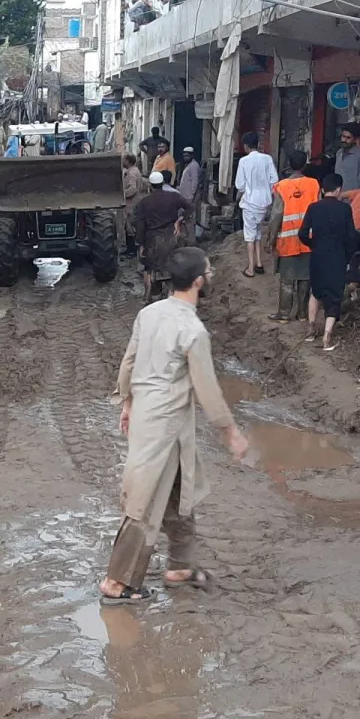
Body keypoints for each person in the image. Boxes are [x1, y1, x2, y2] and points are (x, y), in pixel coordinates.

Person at [99, 247, 250, 604]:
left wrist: (128, 403)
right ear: (198, 281)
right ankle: (117, 583)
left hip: (159, 423)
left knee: (181, 494)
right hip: (163, 427)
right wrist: (231, 433)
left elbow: (129, 361)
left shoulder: (149, 313)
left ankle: (180, 566)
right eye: (209, 271)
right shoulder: (193, 331)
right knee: (144, 503)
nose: (211, 276)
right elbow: (207, 388)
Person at [299, 174, 358, 352]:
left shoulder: (313, 207)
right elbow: (351, 237)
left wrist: (313, 245)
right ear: (339, 190)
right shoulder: (345, 210)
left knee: (315, 292)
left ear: (322, 190)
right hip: (337, 258)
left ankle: (310, 328)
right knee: (334, 297)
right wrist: (348, 258)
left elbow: (302, 234)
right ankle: (326, 337)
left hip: (318, 256)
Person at [263, 162, 322, 322]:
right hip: (308, 240)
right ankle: (302, 314)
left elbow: (276, 216)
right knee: (305, 278)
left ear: (289, 165)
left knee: (287, 280)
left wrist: (270, 239)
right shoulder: (314, 184)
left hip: (287, 241)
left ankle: (284, 314)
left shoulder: (281, 187)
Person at [135, 171, 194, 303]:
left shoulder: (144, 202)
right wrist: (179, 221)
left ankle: (149, 297)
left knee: (149, 268)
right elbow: (190, 207)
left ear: (150, 185)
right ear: (162, 184)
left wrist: (140, 243)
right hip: (172, 237)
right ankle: (172, 298)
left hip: (153, 240)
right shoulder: (173, 197)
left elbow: (140, 225)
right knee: (172, 268)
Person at [234, 132, 278, 278]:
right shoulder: (267, 159)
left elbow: (240, 185)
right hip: (264, 202)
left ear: (246, 146)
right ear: (258, 143)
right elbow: (274, 180)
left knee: (249, 236)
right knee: (258, 232)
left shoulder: (244, 162)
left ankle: (251, 268)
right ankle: (259, 263)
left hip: (250, 202)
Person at [333, 122, 360, 192]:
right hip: (338, 198)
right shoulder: (339, 153)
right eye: (343, 136)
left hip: (354, 200)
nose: (344, 140)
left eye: (348, 138)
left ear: (355, 139)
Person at [122, 154, 150, 256]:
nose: (122, 162)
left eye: (123, 160)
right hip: (132, 203)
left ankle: (132, 250)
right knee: (129, 226)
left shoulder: (132, 173)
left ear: (128, 161)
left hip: (130, 203)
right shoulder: (133, 171)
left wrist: (122, 195)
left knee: (130, 227)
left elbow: (132, 189)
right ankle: (130, 249)